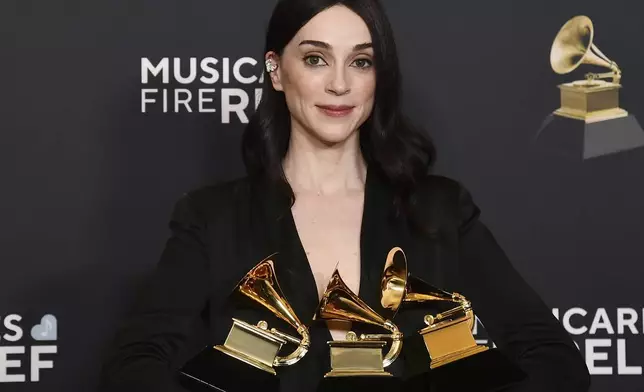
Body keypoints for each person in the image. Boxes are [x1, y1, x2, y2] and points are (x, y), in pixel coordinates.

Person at [97, 1, 591, 391]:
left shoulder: (439, 210)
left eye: (361, 62)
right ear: (275, 69)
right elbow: (132, 367)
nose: (339, 84)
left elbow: (554, 360)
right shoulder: (212, 218)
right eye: (315, 59)